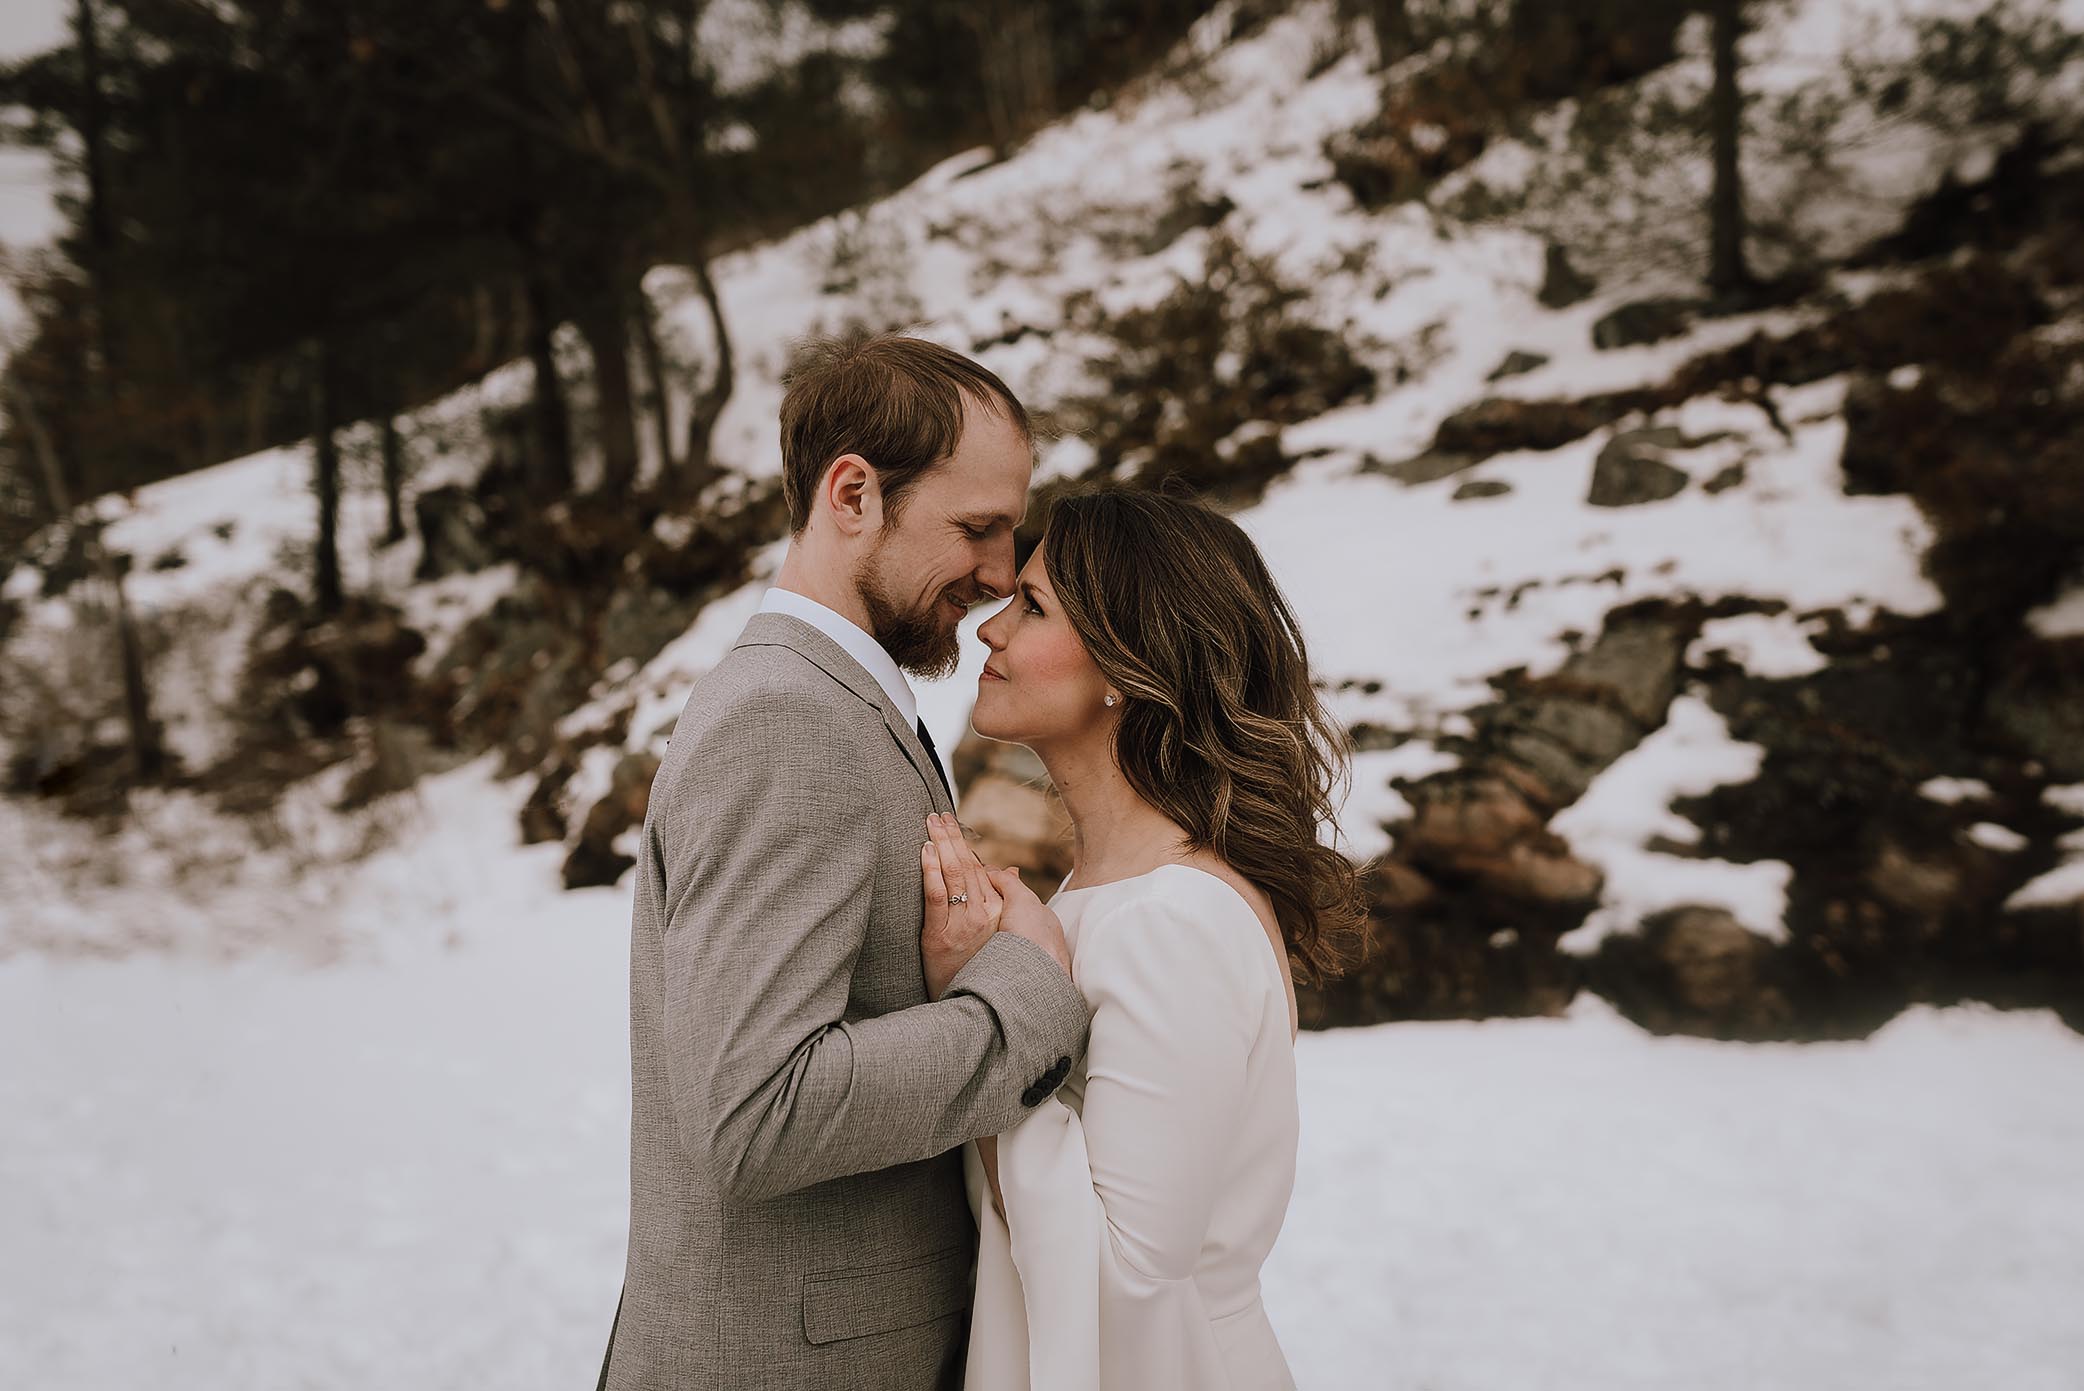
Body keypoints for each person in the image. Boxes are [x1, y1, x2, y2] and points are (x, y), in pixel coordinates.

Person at [596, 331, 1092, 1391]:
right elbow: (759, 1108)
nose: (1001, 574)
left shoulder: (833, 701)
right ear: (853, 492)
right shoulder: (787, 720)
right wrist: (1022, 993)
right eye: (978, 528)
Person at [935, 485, 1367, 1390]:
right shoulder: (1108, 890)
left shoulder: (1175, 919)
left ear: (1129, 671)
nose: (990, 628)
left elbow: (1128, 1277)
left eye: (1033, 605)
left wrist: (983, 1009)